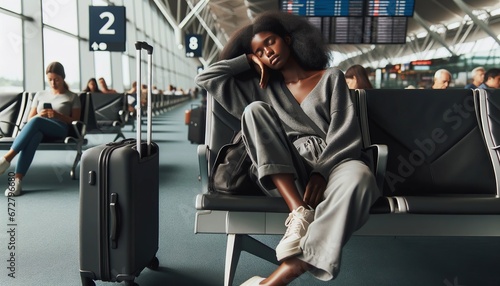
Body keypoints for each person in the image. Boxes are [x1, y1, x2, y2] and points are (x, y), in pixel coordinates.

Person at [195, 11, 379, 286]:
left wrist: (322, 172)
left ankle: (278, 278)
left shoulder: (331, 78)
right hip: (285, 171)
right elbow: (206, 79)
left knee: (362, 178)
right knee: (254, 111)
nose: (267, 52)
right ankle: (299, 212)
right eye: (259, 51)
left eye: (270, 42)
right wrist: (246, 60)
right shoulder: (261, 89)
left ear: (289, 39)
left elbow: (345, 131)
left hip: (335, 160)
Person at [1, 62, 81, 196]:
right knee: (35, 135)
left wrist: (57, 115)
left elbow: (76, 121)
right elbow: (30, 119)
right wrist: (40, 114)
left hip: (60, 129)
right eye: (50, 79)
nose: (53, 83)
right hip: (39, 127)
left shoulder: (72, 96)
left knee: (37, 122)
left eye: (56, 79)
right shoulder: (40, 95)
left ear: (63, 78)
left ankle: (6, 159)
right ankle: (17, 182)